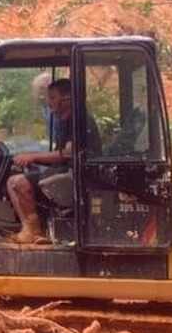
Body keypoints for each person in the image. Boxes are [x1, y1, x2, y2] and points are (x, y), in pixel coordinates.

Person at [5, 79, 102, 244]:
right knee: (17, 178)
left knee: (17, 183)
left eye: (52, 97)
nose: (48, 102)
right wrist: (33, 158)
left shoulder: (78, 120)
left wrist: (33, 156)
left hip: (79, 176)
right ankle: (34, 229)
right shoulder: (65, 120)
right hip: (68, 170)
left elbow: (68, 153)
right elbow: (60, 153)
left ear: (67, 99)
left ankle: (33, 231)